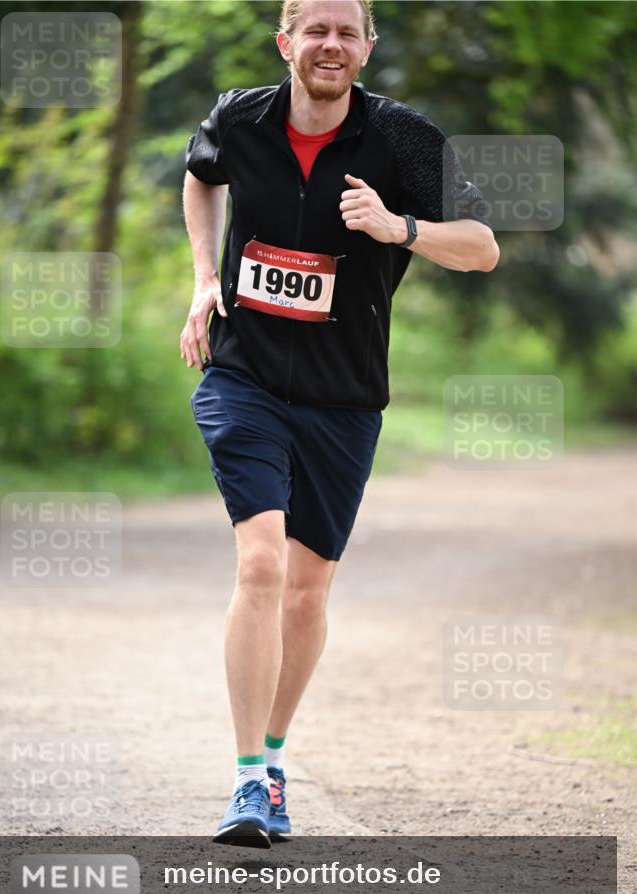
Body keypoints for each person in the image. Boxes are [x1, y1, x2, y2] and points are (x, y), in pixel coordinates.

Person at [181, 0, 499, 848]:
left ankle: (275, 757)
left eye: (345, 32)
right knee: (259, 562)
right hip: (243, 376)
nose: (329, 44)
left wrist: (400, 229)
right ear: (285, 41)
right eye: (313, 29)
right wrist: (204, 279)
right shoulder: (237, 118)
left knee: (307, 588)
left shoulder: (401, 139)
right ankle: (249, 782)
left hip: (345, 395)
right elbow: (201, 174)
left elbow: (482, 246)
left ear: (366, 48)